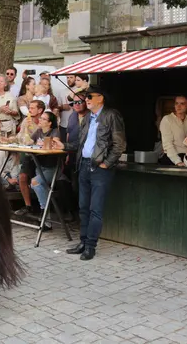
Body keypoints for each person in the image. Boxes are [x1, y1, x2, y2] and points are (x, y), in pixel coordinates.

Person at [54, 85, 126, 261]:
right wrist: (65, 146)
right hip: (84, 165)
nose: (86, 99)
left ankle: (90, 246)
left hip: (100, 168)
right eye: (86, 97)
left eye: (90, 96)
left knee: (95, 209)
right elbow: (80, 143)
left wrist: (106, 163)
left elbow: (120, 144)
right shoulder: (87, 117)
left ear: (101, 98)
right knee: (84, 207)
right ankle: (83, 242)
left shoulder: (111, 115)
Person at [29, 111, 61, 230]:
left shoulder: (55, 131)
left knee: (35, 182)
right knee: (39, 187)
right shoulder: (38, 131)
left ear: (49, 123)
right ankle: (46, 222)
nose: (40, 120)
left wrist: (44, 143)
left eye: (43, 119)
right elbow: (28, 142)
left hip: (52, 168)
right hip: (40, 166)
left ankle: (43, 212)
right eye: (41, 118)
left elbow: (54, 143)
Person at [159, 95, 187, 166]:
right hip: (172, 157)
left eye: (182, 104)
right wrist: (177, 161)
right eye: (176, 103)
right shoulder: (167, 119)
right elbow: (168, 144)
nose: (178, 106)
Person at [0, 73, 19, 141]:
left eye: (1, 81)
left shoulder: (10, 95)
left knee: (7, 145)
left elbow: (16, 112)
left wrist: (10, 112)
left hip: (8, 126)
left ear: (5, 84)